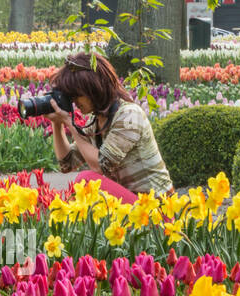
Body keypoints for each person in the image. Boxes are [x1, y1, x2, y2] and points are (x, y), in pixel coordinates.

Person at [47, 52, 173, 202]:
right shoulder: (98, 122)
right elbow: (67, 164)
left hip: (157, 208)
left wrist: (70, 124)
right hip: (135, 206)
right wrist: (57, 123)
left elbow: (101, 166)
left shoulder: (129, 115)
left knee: (86, 179)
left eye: (76, 95)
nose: (74, 101)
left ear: (93, 88)